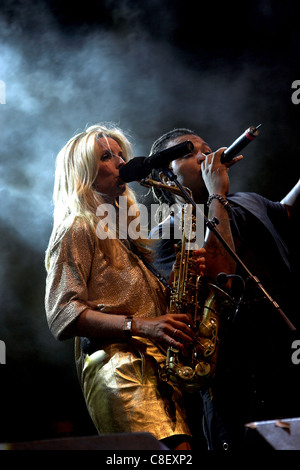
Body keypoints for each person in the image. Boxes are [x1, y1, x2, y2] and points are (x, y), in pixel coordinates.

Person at [44, 123, 208, 451]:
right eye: (107, 156)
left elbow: (133, 300)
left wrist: (178, 281)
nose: (121, 163)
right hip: (120, 369)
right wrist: (142, 326)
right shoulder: (77, 226)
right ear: (83, 172)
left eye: (121, 155)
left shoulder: (124, 232)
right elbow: (62, 313)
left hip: (155, 368)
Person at [147, 127, 300, 450]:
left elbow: (286, 213)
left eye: (205, 148)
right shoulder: (168, 230)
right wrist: (215, 193)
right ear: (165, 175)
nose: (205, 155)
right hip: (238, 378)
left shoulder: (247, 201)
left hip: (286, 353)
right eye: (189, 153)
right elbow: (221, 279)